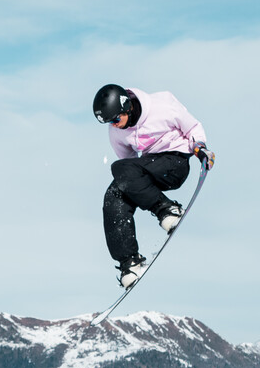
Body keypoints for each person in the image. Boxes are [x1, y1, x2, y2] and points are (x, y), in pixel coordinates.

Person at [92, 84, 215, 289]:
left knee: (119, 168)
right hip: (149, 168)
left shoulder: (162, 105)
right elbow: (128, 169)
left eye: (115, 119)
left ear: (127, 107)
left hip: (175, 163)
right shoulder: (116, 133)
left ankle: (168, 210)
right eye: (108, 122)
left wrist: (200, 149)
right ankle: (129, 262)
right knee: (114, 194)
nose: (114, 125)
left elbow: (192, 127)